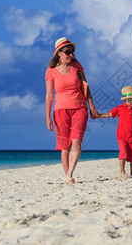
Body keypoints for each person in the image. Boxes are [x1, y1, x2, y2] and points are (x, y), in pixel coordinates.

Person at [45, 37, 99, 184]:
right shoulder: (51, 71)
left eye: (72, 51)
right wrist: (48, 117)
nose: (71, 55)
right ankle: (67, 176)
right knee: (65, 145)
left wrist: (92, 105)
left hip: (80, 108)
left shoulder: (77, 66)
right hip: (60, 110)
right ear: (59, 53)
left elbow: (85, 86)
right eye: (67, 52)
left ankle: (69, 173)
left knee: (77, 141)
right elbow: (49, 95)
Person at [97, 86, 132, 179]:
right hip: (122, 137)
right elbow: (109, 114)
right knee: (123, 153)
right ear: (125, 100)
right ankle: (122, 172)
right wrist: (99, 115)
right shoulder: (120, 108)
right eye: (130, 99)